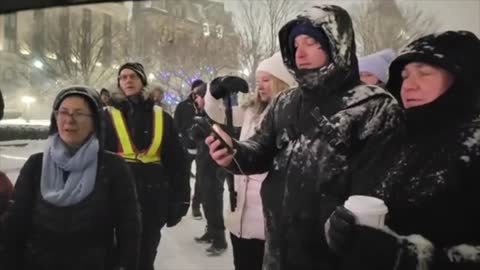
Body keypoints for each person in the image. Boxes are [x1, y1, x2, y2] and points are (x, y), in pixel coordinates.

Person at [206, 4, 403, 270]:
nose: (300, 51)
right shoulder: (286, 101)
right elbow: (261, 149)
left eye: (311, 42)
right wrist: (235, 153)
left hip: (333, 255)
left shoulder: (373, 106)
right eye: (295, 44)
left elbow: (378, 189)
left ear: (338, 44)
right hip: (277, 249)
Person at [325, 31, 480, 270]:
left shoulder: (473, 147)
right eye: (405, 76)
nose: (409, 85)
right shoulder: (389, 135)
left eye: (425, 73)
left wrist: (408, 259)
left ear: (463, 77)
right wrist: (337, 227)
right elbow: (348, 192)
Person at [2, 86, 141, 270]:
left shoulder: (113, 166)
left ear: (95, 121)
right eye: (63, 112)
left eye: (79, 113)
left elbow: (129, 226)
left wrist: (124, 265)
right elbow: (15, 223)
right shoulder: (36, 165)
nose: (69, 120)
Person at [105, 62, 190, 270]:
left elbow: (178, 163)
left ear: (143, 81)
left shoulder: (162, 117)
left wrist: (180, 199)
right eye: (123, 77)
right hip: (116, 197)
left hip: (153, 198)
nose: (128, 81)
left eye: (133, 76)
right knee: (115, 257)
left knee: (145, 257)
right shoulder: (105, 116)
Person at [226, 51, 296, 270]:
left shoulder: (292, 116)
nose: (260, 86)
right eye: (258, 81)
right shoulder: (251, 111)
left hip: (270, 218)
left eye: (266, 80)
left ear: (283, 82)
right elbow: (218, 111)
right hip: (241, 215)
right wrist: (216, 90)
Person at [190, 81, 229, 256]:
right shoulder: (202, 114)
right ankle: (211, 231)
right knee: (206, 200)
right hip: (203, 163)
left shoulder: (217, 115)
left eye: (197, 96)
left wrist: (202, 129)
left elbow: (220, 138)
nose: (195, 99)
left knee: (214, 202)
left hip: (214, 166)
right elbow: (194, 137)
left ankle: (220, 239)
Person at [174, 80, 204, 219]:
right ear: (192, 90)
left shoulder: (207, 106)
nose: (198, 93)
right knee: (183, 175)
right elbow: (176, 125)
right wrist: (183, 139)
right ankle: (182, 202)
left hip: (202, 148)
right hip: (185, 147)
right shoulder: (182, 105)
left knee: (201, 178)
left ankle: (196, 205)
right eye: (196, 90)